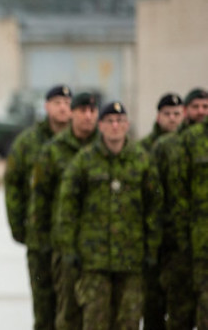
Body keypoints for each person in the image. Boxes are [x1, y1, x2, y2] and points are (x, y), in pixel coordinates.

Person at [54, 101, 160, 330]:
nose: (115, 126)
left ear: (127, 125)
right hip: (93, 262)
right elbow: (68, 209)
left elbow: (154, 209)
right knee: (95, 322)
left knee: (128, 322)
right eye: (110, 121)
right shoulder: (84, 161)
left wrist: (151, 250)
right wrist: (70, 250)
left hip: (131, 261)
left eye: (120, 121)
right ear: (100, 125)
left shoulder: (142, 160)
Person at [4, 84, 72, 330]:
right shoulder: (28, 142)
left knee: (73, 309)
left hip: (74, 240)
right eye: (57, 103)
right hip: (40, 238)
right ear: (46, 107)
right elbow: (13, 186)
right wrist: (19, 227)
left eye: (67, 103)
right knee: (44, 308)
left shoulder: (81, 142)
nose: (63, 108)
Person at [31, 92, 99, 330]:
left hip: (100, 247)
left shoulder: (106, 148)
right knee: (61, 312)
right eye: (82, 110)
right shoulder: (52, 150)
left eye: (92, 111)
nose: (88, 116)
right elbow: (37, 200)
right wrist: (38, 242)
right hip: (61, 244)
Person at [150, 87, 208, 330]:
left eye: (205, 107)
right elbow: (156, 199)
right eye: (195, 107)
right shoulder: (169, 146)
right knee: (178, 315)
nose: (200, 112)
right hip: (177, 248)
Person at [138, 92, 183, 330]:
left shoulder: (189, 146)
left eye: (177, 114)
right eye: (167, 114)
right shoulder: (143, 149)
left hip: (181, 240)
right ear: (158, 116)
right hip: (154, 240)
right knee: (152, 306)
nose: (173, 119)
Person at [173, 94, 208, 329]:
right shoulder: (189, 140)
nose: (201, 111)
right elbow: (178, 195)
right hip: (197, 243)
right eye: (196, 106)